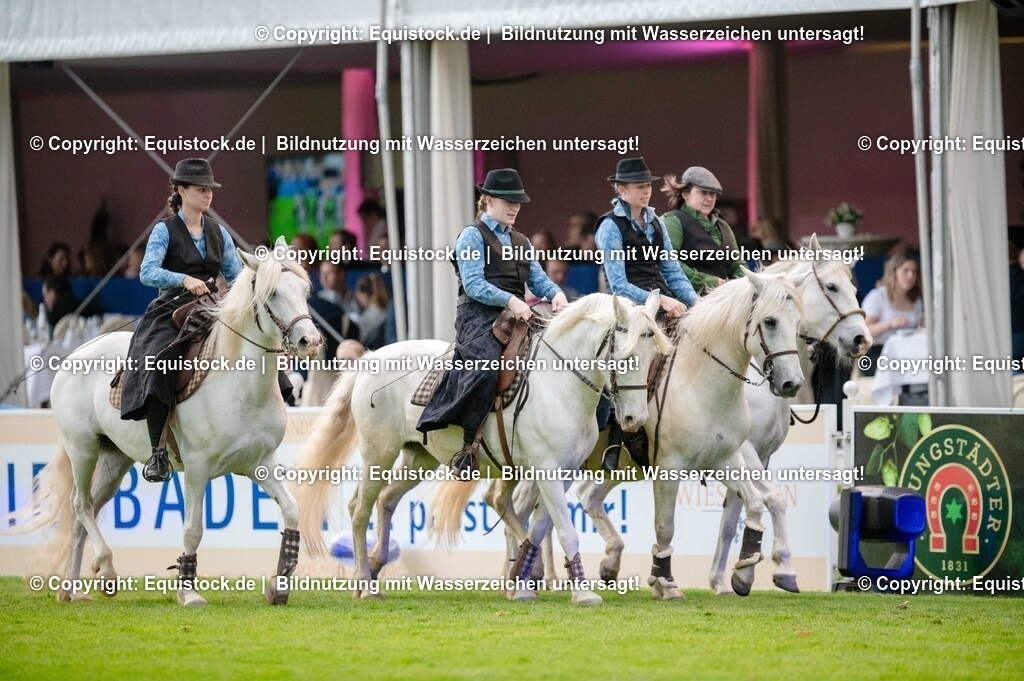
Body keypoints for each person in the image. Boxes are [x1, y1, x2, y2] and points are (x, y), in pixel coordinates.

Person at [417, 169, 568, 475]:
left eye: (518, 202)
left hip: (518, 317)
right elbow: (473, 284)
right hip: (478, 318)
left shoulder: (522, 240)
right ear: (487, 200)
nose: (514, 207)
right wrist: (512, 300)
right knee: (485, 366)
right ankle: (468, 447)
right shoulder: (472, 235)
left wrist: (557, 294)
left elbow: (538, 280)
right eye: (507, 201)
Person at [120, 158, 245, 483]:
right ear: (181, 191)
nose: (207, 195)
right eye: (201, 189)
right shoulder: (165, 229)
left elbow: (236, 275)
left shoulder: (219, 233)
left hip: (211, 307)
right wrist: (183, 279)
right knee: (160, 359)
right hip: (171, 309)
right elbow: (147, 272)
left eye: (209, 190)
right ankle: (157, 451)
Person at [595, 157, 697, 470]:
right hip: (629, 307)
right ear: (620, 190)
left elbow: (672, 270)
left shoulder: (656, 222)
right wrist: (661, 300)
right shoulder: (610, 227)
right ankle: (616, 437)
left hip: (661, 298)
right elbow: (618, 283)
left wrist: (696, 304)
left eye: (648, 185)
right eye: (639, 186)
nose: (646, 191)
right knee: (632, 361)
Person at [660, 166, 744, 295]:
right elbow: (668, 262)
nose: (710, 198)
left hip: (724, 300)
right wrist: (708, 281)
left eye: (713, 194)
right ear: (685, 194)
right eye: (703, 192)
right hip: (686, 303)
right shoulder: (673, 221)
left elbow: (737, 263)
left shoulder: (723, 224)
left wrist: (748, 286)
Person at [861, 249, 925, 377]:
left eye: (914, 272)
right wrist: (890, 324)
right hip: (878, 353)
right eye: (905, 270)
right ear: (894, 272)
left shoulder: (916, 299)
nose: (910, 276)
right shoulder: (877, 297)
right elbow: (864, 331)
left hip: (908, 350)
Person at [354, 273, 389, 351]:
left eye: (359, 296)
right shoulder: (389, 311)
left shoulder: (366, 318)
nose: (359, 300)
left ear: (365, 294)